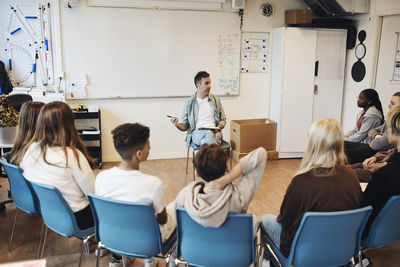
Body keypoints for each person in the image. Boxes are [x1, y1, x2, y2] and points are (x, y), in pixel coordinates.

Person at [261, 118, 361, 258]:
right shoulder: (351, 176)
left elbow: (285, 219)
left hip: (305, 250)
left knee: (265, 219)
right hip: (342, 246)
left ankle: (269, 262)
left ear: (314, 144)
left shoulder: (301, 182)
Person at [96, 123, 176, 267]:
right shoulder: (152, 183)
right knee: (176, 207)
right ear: (138, 154)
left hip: (112, 236)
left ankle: (119, 258)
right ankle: (152, 259)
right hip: (148, 242)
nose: (150, 148)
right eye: (148, 145)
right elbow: (163, 220)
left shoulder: (101, 178)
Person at [20, 101, 95, 230]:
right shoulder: (72, 156)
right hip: (79, 218)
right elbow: (94, 195)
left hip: (50, 214)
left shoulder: (32, 149)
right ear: (69, 124)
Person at [175, 144, 266, 230]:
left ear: (197, 173)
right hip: (232, 245)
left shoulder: (184, 196)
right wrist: (229, 177)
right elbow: (261, 153)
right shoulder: (238, 198)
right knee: (254, 219)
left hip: (195, 246)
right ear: (226, 168)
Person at [361, 105, 400, 238]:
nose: (386, 131)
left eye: (388, 127)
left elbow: (364, 211)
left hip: (370, 231)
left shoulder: (384, 176)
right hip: (393, 230)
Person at [170, 71, 226, 147]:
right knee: (208, 135)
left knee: (205, 141)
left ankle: (205, 157)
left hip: (215, 134)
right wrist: (176, 124)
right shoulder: (189, 103)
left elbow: (223, 119)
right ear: (198, 85)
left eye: (210, 83)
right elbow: (185, 126)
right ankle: (213, 156)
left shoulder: (215, 99)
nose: (210, 86)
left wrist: (217, 128)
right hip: (196, 134)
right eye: (206, 83)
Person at [345, 92, 400, 163]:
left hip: (373, 148)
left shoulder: (373, 115)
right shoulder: (389, 119)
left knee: (344, 152)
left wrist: (374, 138)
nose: (388, 106)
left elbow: (375, 145)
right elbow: (372, 130)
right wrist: (376, 136)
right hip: (370, 146)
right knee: (342, 144)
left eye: (392, 103)